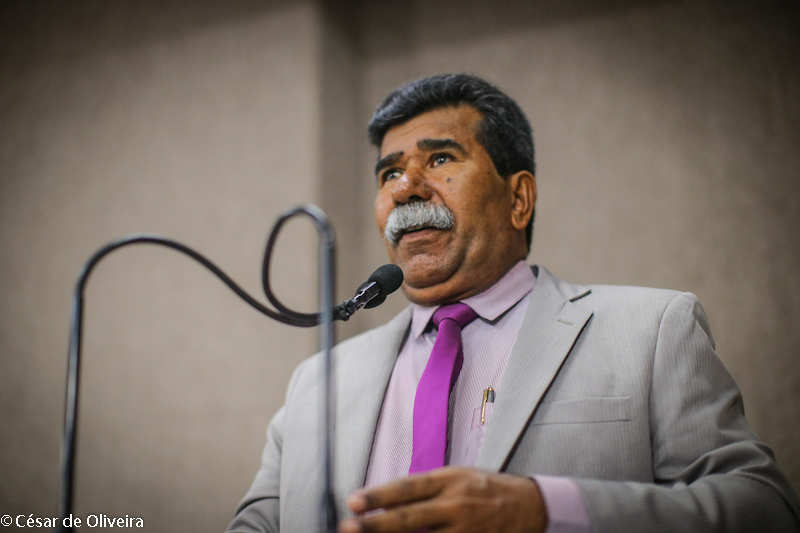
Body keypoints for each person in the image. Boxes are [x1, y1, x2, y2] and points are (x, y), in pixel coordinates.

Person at [227, 74, 800, 532]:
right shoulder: (317, 379)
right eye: (391, 171)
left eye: (441, 159)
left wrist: (544, 510)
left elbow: (763, 510)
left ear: (519, 198)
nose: (406, 187)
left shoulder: (652, 329)